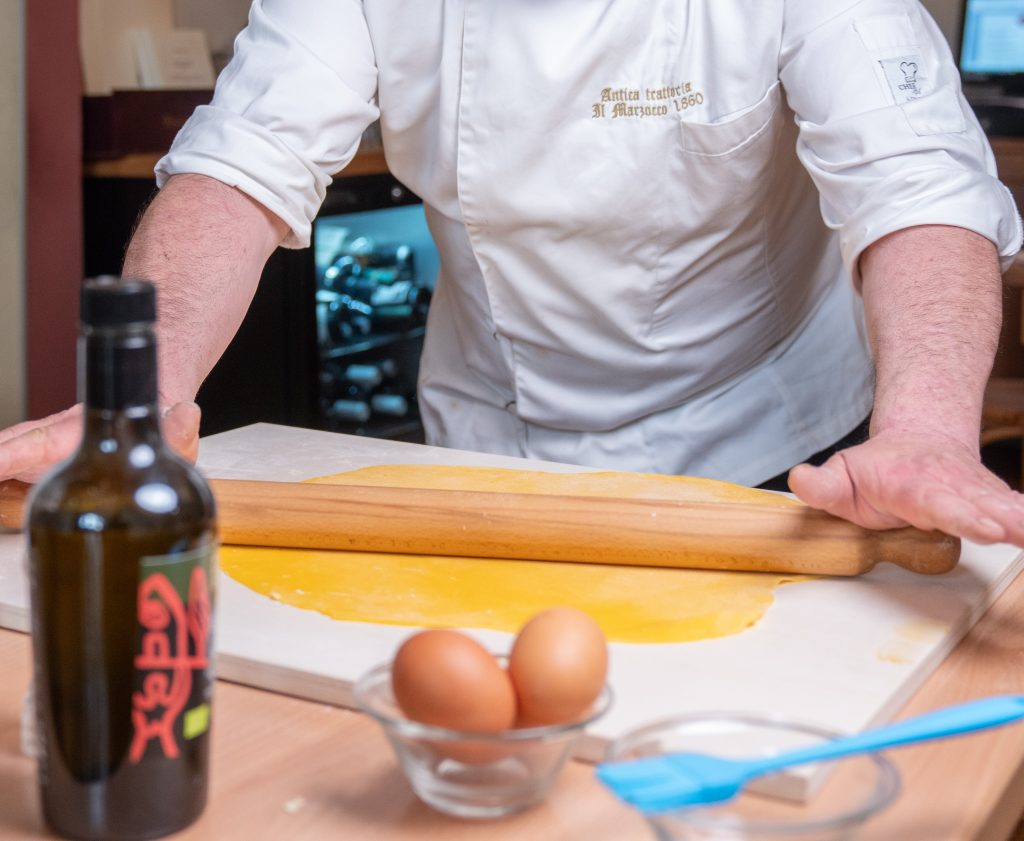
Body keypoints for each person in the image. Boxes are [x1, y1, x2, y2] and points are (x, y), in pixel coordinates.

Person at [2, 1, 1023, 547]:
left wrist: (926, 432)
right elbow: (237, 168)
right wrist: (136, 404)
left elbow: (917, 188)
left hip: (769, 447)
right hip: (496, 452)